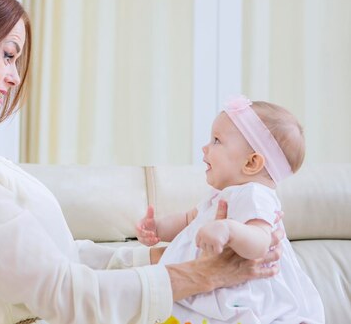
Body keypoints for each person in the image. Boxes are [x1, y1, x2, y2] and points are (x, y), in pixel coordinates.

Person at [0, 0, 283, 324]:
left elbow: (60, 260)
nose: (15, 76)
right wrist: (203, 274)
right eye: (9, 54)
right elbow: (63, 293)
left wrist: (163, 256)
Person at [136, 96, 324, 324]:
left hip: (239, 296)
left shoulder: (255, 194)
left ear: (252, 163)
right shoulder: (221, 196)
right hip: (206, 285)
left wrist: (229, 230)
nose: (205, 147)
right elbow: (188, 220)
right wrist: (158, 227)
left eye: (216, 140)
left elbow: (261, 240)